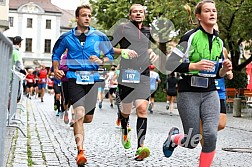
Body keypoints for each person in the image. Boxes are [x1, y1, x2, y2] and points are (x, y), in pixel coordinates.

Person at [163, 1, 232, 167]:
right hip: (189, 93)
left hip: (210, 92)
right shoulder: (190, 37)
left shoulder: (219, 42)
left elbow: (216, 74)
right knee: (192, 141)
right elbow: (169, 65)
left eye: (214, 10)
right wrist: (193, 66)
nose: (212, 13)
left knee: (211, 136)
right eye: (207, 11)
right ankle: (173, 138)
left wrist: (223, 70)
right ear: (198, 16)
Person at [52, 4, 114, 166]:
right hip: (74, 78)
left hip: (92, 79)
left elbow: (110, 55)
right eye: (84, 15)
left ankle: (77, 122)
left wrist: (101, 61)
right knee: (79, 113)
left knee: (88, 118)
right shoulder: (67, 37)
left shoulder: (99, 36)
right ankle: (80, 152)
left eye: (89, 15)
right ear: (77, 18)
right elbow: (56, 54)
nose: (87, 18)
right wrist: (56, 68)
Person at [111, 4, 158, 161]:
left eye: (141, 11)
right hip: (127, 74)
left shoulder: (148, 31)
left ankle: (140, 147)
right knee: (125, 111)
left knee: (142, 109)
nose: (138, 13)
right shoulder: (122, 29)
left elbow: (148, 49)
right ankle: (124, 127)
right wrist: (122, 51)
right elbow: (108, 48)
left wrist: (153, 55)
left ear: (144, 15)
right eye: (135, 11)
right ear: (130, 15)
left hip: (143, 74)